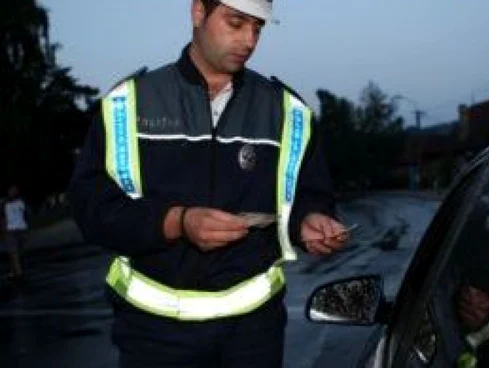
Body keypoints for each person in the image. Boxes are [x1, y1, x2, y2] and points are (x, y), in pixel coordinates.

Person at [68, 1, 349, 367]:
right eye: (236, 23)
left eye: (258, 28)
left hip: (254, 332)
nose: (249, 40)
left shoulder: (287, 111)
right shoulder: (128, 103)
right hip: (153, 335)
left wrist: (309, 221)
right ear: (198, 12)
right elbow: (92, 208)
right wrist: (176, 222)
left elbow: (310, 195)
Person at [2, 185, 29, 281]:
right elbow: (2, 218)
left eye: (15, 190)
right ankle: (19, 273)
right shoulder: (4, 203)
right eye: (11, 190)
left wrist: (27, 229)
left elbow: (26, 215)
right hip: (10, 230)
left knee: (19, 253)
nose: (13, 192)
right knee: (14, 252)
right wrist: (4, 230)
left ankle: (12, 271)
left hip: (21, 229)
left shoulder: (21, 201)